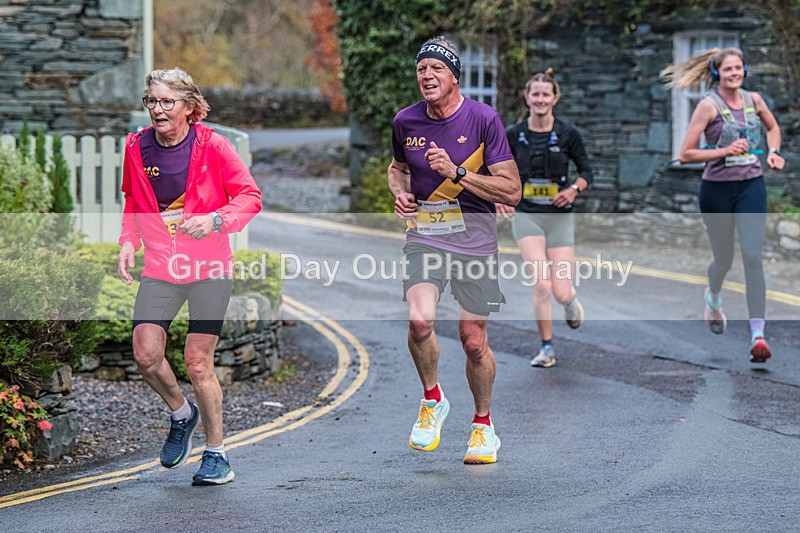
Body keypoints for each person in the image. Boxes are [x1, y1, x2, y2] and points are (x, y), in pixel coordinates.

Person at [117, 68, 262, 485]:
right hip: (162, 267)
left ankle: (217, 455)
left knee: (198, 362)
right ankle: (183, 414)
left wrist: (216, 219)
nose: (157, 110)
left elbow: (250, 197)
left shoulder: (213, 146)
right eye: (152, 101)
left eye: (166, 102)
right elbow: (133, 202)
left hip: (209, 269)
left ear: (189, 107)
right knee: (146, 354)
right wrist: (129, 241)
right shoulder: (136, 147)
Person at [388, 36, 521, 464]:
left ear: (454, 75)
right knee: (419, 321)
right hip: (425, 232)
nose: (426, 76)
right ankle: (433, 400)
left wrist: (460, 173)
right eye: (421, 69)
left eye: (436, 69)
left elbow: (512, 190)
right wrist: (400, 194)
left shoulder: (484, 119)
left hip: (475, 239)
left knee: (473, 340)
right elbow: (397, 169)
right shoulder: (405, 122)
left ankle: (483, 427)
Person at [663, 47, 785, 362]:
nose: (735, 74)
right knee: (724, 261)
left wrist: (772, 151)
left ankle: (758, 334)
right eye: (728, 69)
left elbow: (772, 128)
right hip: (716, 191)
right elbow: (686, 153)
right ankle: (714, 298)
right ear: (718, 73)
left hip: (751, 187)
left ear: (745, 70)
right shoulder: (707, 106)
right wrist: (724, 151)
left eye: (739, 68)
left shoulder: (755, 100)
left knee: (754, 257)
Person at [501, 69, 593, 368]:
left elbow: (587, 172)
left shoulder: (568, 134)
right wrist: (502, 197)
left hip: (559, 218)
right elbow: (496, 169)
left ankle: (569, 301)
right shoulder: (513, 134)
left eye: (545, 94)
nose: (540, 99)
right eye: (535, 94)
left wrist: (573, 190)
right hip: (528, 215)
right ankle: (547, 348)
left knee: (560, 289)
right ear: (527, 98)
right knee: (541, 284)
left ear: (555, 98)